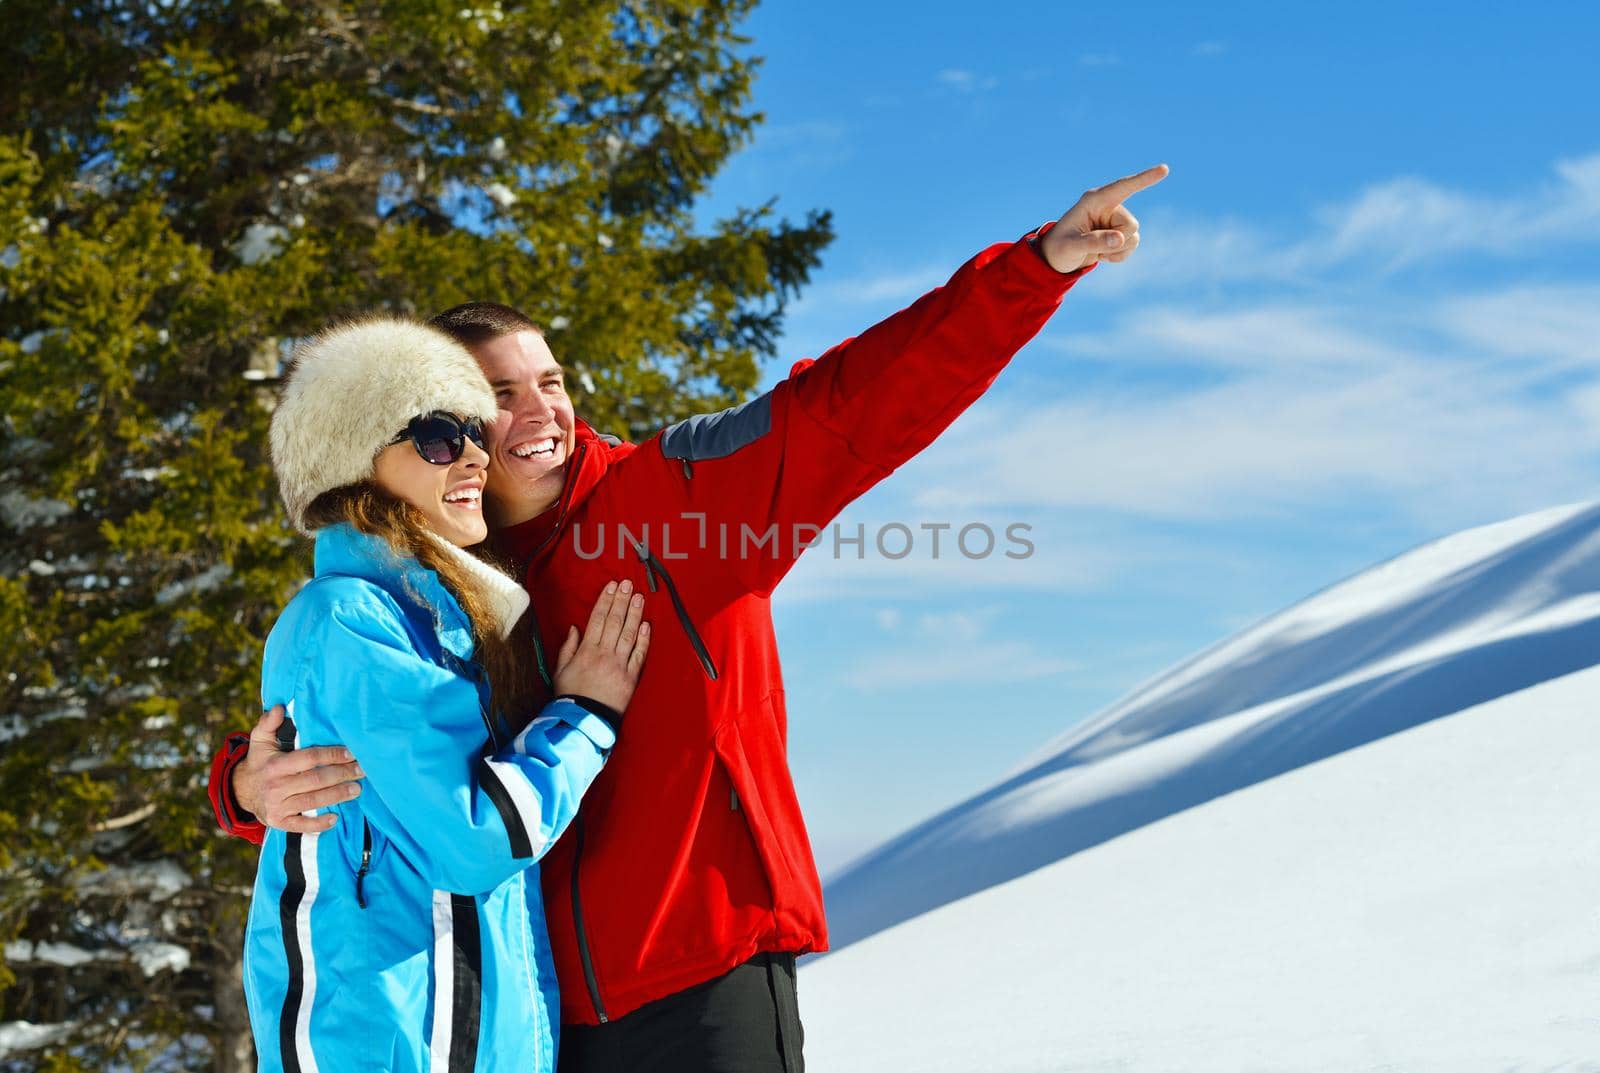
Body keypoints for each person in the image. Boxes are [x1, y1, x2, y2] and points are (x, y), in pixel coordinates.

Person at [212, 165, 1168, 1072]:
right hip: (540, 1015)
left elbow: (853, 406)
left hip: (706, 977)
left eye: (549, 379)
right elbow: (385, 759)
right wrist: (246, 790)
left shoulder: (675, 494)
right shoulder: (430, 585)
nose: (539, 409)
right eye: (494, 398)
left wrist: (1036, 267)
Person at [239, 317, 650, 1073]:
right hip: (380, 1045)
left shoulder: (445, 622)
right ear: (355, 462)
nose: (472, 454)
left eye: (470, 429)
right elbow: (473, 839)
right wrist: (586, 715)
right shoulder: (348, 618)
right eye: (435, 436)